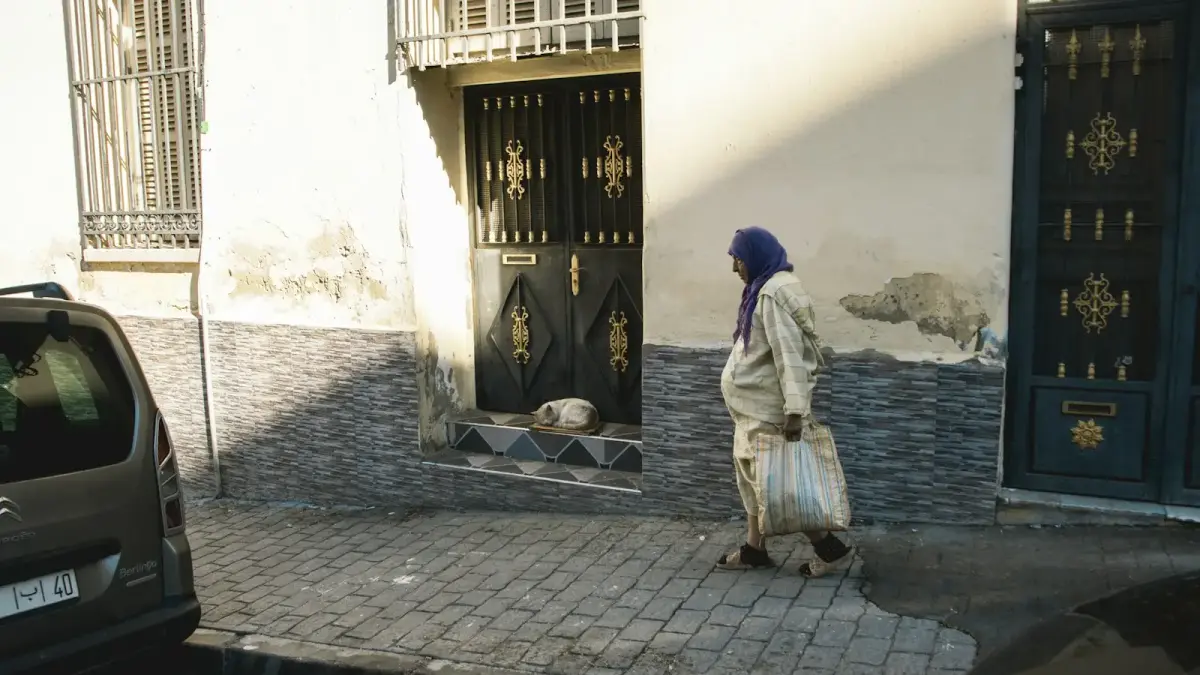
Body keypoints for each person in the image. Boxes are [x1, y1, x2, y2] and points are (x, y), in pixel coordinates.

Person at [717, 226, 853, 577]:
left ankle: (829, 547)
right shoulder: (763, 287)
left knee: (779, 486)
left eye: (738, 259)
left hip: (769, 410)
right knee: (753, 480)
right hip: (751, 409)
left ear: (756, 257)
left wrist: (795, 412)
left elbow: (789, 355)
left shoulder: (772, 295)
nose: (735, 268)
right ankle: (754, 549)